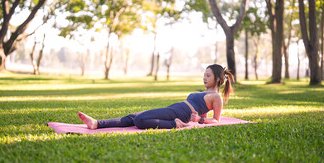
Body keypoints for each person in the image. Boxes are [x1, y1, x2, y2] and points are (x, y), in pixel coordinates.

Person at [78, 64, 234, 129]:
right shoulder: (204, 93)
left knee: (140, 120)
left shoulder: (216, 97)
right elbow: (203, 114)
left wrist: (199, 120)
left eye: (208, 75)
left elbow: (216, 120)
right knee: (135, 116)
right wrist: (200, 118)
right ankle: (97, 123)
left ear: (218, 80)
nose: (204, 78)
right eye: (204, 75)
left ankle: (177, 125)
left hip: (181, 114)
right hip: (175, 109)